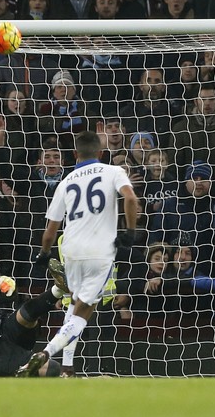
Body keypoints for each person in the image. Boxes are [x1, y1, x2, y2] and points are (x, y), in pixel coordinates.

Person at [18, 131, 137, 376]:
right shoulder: (114, 171)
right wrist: (130, 232)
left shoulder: (66, 181)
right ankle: (46, 353)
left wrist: (44, 253)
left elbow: (51, 229)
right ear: (101, 153)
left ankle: (68, 368)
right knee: (83, 311)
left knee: (72, 306)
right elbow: (131, 198)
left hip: (69, 251)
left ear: (75, 155)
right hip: (99, 251)